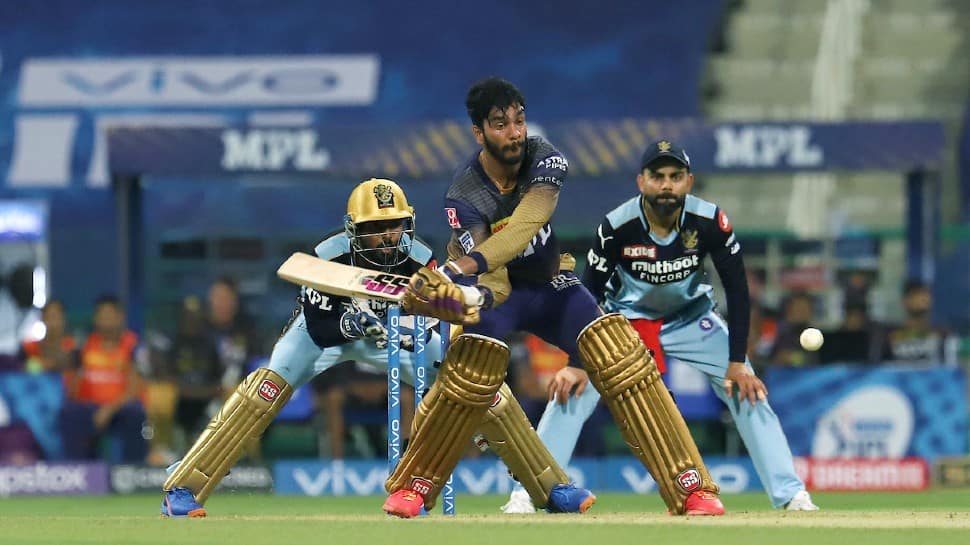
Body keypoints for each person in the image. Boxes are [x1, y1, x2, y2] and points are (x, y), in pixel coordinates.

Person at [386, 77, 723, 518]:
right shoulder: (464, 193)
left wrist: (456, 270)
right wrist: (457, 297)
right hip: (498, 289)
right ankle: (415, 486)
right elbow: (498, 280)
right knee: (471, 367)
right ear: (479, 133)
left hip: (550, 285)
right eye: (500, 124)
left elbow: (528, 222)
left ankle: (690, 487)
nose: (514, 132)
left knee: (618, 351)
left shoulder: (545, 158)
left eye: (519, 121)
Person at [160, 178, 444, 517]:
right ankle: (183, 487)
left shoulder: (422, 260)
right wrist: (351, 324)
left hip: (385, 335)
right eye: (375, 227)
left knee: (456, 380)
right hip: (318, 333)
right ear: (354, 229)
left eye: (394, 225)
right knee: (263, 392)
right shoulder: (326, 256)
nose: (386, 236)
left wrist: (411, 334)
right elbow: (320, 329)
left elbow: (434, 318)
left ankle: (422, 488)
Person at [578, 139, 818, 511]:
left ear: (689, 182)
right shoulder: (617, 225)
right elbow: (588, 292)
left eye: (675, 177)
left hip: (693, 319)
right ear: (641, 182)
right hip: (625, 322)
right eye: (658, 177)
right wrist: (575, 364)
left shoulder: (709, 221)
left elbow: (737, 290)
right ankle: (530, 491)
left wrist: (737, 361)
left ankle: (790, 495)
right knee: (574, 390)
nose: (667, 185)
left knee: (747, 389)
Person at [59, 295, 148, 463]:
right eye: (102, 315)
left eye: (110, 315)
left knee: (135, 413)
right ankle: (77, 469)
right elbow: (73, 385)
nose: (106, 320)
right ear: (95, 318)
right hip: (90, 407)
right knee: (69, 413)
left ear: (120, 317)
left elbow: (135, 389)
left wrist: (108, 410)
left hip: (121, 407)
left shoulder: (133, 345)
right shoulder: (84, 345)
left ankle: (133, 470)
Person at [883, 279, 960, 366]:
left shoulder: (942, 334)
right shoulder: (891, 336)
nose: (922, 298)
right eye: (916, 294)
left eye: (925, 294)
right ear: (905, 300)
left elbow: (951, 367)